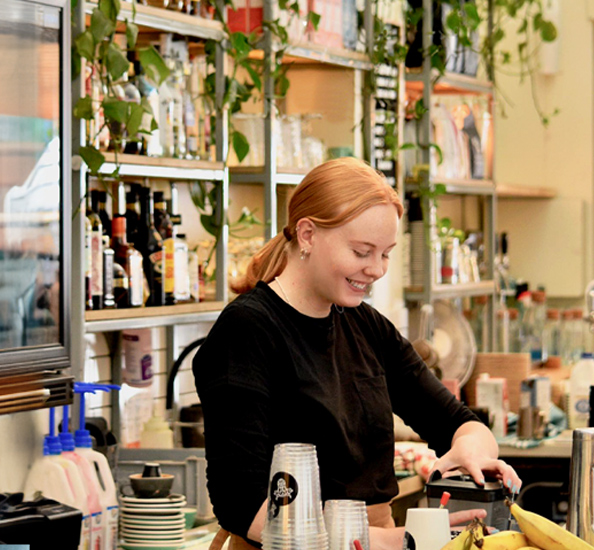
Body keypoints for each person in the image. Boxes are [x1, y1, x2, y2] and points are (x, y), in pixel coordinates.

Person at [193, 157, 522, 550]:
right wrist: (383, 540)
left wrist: (471, 451)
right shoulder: (247, 331)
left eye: (385, 254)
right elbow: (241, 505)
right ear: (308, 234)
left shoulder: (366, 326)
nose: (377, 270)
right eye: (362, 251)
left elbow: (459, 422)